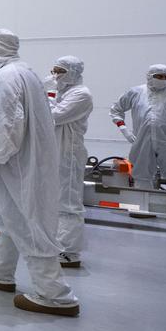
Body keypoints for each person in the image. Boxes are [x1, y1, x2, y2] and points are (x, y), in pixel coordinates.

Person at [0, 30, 78, 317]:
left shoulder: (5, 78)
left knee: (29, 222)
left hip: (18, 164)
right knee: (10, 217)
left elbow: (6, 126)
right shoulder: (23, 72)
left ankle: (54, 294)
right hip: (25, 162)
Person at [110, 65, 166, 196]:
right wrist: (124, 130)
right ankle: (143, 209)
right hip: (142, 142)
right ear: (149, 76)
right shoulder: (136, 92)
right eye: (159, 76)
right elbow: (116, 110)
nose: (163, 79)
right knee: (141, 176)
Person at [44, 57, 92, 268]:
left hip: (69, 155)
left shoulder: (81, 94)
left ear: (73, 72)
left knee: (69, 202)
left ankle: (70, 252)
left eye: (60, 71)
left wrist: (48, 94)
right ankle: (57, 244)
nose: (55, 75)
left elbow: (53, 116)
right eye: (53, 70)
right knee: (55, 200)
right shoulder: (64, 92)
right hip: (55, 152)